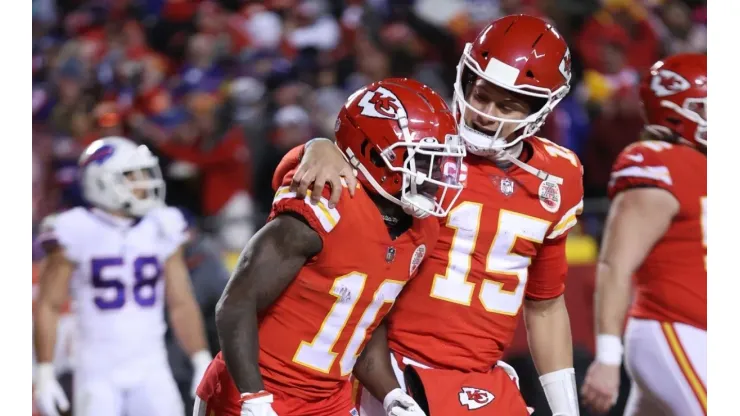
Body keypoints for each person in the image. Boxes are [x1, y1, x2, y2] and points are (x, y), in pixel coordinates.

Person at [276, 14, 585, 416]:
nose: (486, 113)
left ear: (543, 107)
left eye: (507, 105)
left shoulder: (559, 175)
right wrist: (318, 147)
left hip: (484, 377)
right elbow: (325, 171)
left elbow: (545, 304)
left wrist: (566, 410)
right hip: (396, 366)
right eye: (480, 94)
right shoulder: (422, 146)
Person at [193, 78, 467, 416]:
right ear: (372, 152)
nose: (435, 174)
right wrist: (254, 398)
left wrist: (392, 393)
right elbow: (236, 305)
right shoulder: (327, 205)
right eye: (422, 160)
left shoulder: (423, 230)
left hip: (329, 402)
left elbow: (364, 318)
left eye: (438, 161)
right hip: (258, 391)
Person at [33, 137, 213, 416]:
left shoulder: (162, 223)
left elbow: (181, 301)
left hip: (151, 365)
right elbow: (49, 304)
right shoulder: (74, 228)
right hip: (96, 369)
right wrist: (44, 370)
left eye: (145, 173)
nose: (144, 183)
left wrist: (200, 357)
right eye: (132, 176)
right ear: (101, 181)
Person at [581, 53, 707, 416]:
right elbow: (615, 264)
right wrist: (607, 357)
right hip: (675, 326)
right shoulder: (656, 161)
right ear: (674, 110)